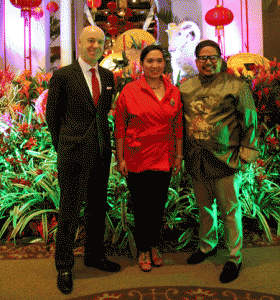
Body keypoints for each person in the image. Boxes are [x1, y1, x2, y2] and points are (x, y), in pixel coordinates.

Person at [46, 25, 121, 295]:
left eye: (100, 42)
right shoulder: (63, 76)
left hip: (101, 153)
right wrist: (64, 145)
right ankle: (64, 265)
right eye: (90, 41)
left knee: (98, 209)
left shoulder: (108, 76)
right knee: (69, 211)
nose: (95, 46)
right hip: (73, 153)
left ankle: (94, 256)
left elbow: (101, 115)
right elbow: (52, 117)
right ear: (80, 43)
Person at [180, 40, 259, 283]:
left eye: (213, 57)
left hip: (225, 157)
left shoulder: (236, 85)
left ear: (220, 59)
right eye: (203, 58)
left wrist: (247, 152)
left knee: (229, 210)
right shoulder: (185, 87)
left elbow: (249, 117)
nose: (208, 62)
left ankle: (234, 256)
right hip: (196, 157)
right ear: (196, 61)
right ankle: (207, 245)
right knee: (204, 207)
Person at [114, 45, 183, 272]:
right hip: (137, 157)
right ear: (141, 65)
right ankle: (144, 248)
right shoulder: (130, 90)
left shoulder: (173, 91)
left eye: (159, 61)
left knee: (158, 206)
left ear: (165, 63)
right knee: (142, 206)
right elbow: (120, 128)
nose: (155, 65)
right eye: (150, 61)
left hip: (164, 156)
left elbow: (178, 127)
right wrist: (120, 158)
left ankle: (154, 245)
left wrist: (178, 156)